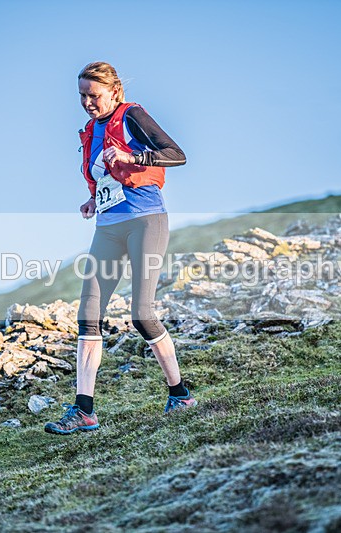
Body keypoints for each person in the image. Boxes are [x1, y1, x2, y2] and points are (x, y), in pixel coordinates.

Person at [44, 61, 197, 435]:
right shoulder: (90, 132)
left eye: (93, 95)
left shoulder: (131, 116)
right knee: (88, 315)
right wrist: (93, 199)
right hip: (108, 228)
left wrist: (134, 157)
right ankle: (84, 410)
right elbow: (106, 177)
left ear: (114, 92)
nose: (87, 102)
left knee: (142, 315)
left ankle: (180, 394)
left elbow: (177, 154)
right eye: (81, 95)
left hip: (146, 221)